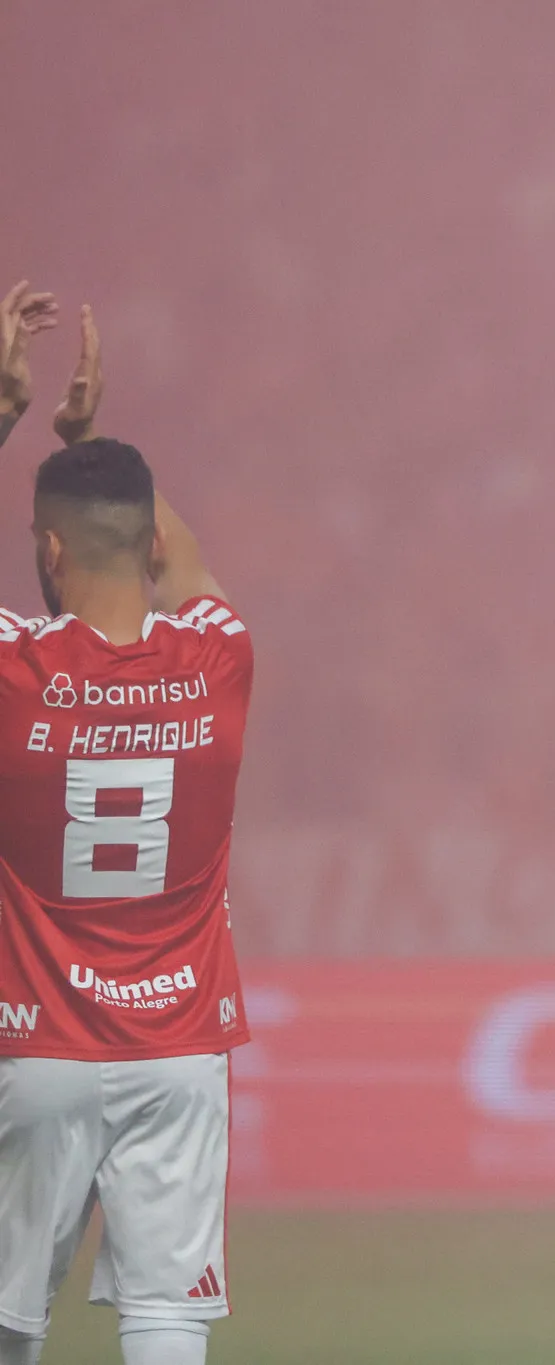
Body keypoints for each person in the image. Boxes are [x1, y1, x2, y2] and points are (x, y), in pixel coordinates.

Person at [0, 282, 254, 1365]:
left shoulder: (16, 672)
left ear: (49, 554)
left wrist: (4, 413)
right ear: (146, 542)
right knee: (165, 1311)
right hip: (180, 1046)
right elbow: (179, 564)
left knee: (10, 1313)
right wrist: (88, 438)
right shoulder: (219, 658)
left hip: (36, 1042)